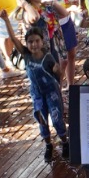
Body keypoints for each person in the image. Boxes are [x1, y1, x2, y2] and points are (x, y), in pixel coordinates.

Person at [15, 27, 68, 163]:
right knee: (42, 121)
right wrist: (6, 21)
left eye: (37, 41)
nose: (34, 44)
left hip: (51, 92)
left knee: (57, 119)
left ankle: (65, 142)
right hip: (37, 95)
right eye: (30, 42)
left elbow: (59, 74)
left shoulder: (48, 57)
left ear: (42, 41)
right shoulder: (26, 55)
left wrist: (59, 72)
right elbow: (14, 39)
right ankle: (48, 145)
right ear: (26, 43)